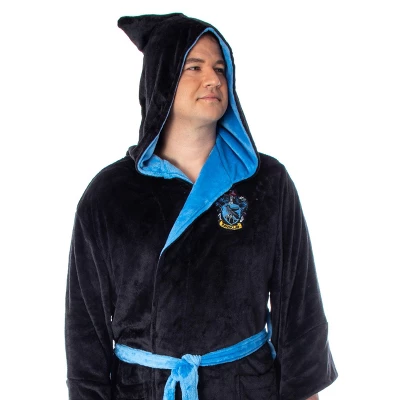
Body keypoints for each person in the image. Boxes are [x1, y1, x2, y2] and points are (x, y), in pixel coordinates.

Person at [65, 13, 338, 400]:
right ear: (161, 80)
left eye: (220, 68)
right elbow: (85, 335)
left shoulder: (266, 182)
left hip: (247, 388)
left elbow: (300, 311)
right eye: (194, 67)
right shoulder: (108, 195)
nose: (213, 79)